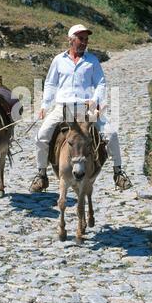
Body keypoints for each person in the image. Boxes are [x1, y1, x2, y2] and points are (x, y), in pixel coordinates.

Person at [29, 24, 132, 192]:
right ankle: (41, 174)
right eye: (81, 39)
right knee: (41, 136)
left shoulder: (92, 61)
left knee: (111, 134)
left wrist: (96, 102)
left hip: (86, 108)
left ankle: (118, 173)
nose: (84, 42)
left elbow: (100, 83)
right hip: (62, 108)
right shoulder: (58, 60)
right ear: (71, 40)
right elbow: (50, 83)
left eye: (86, 39)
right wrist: (44, 105)